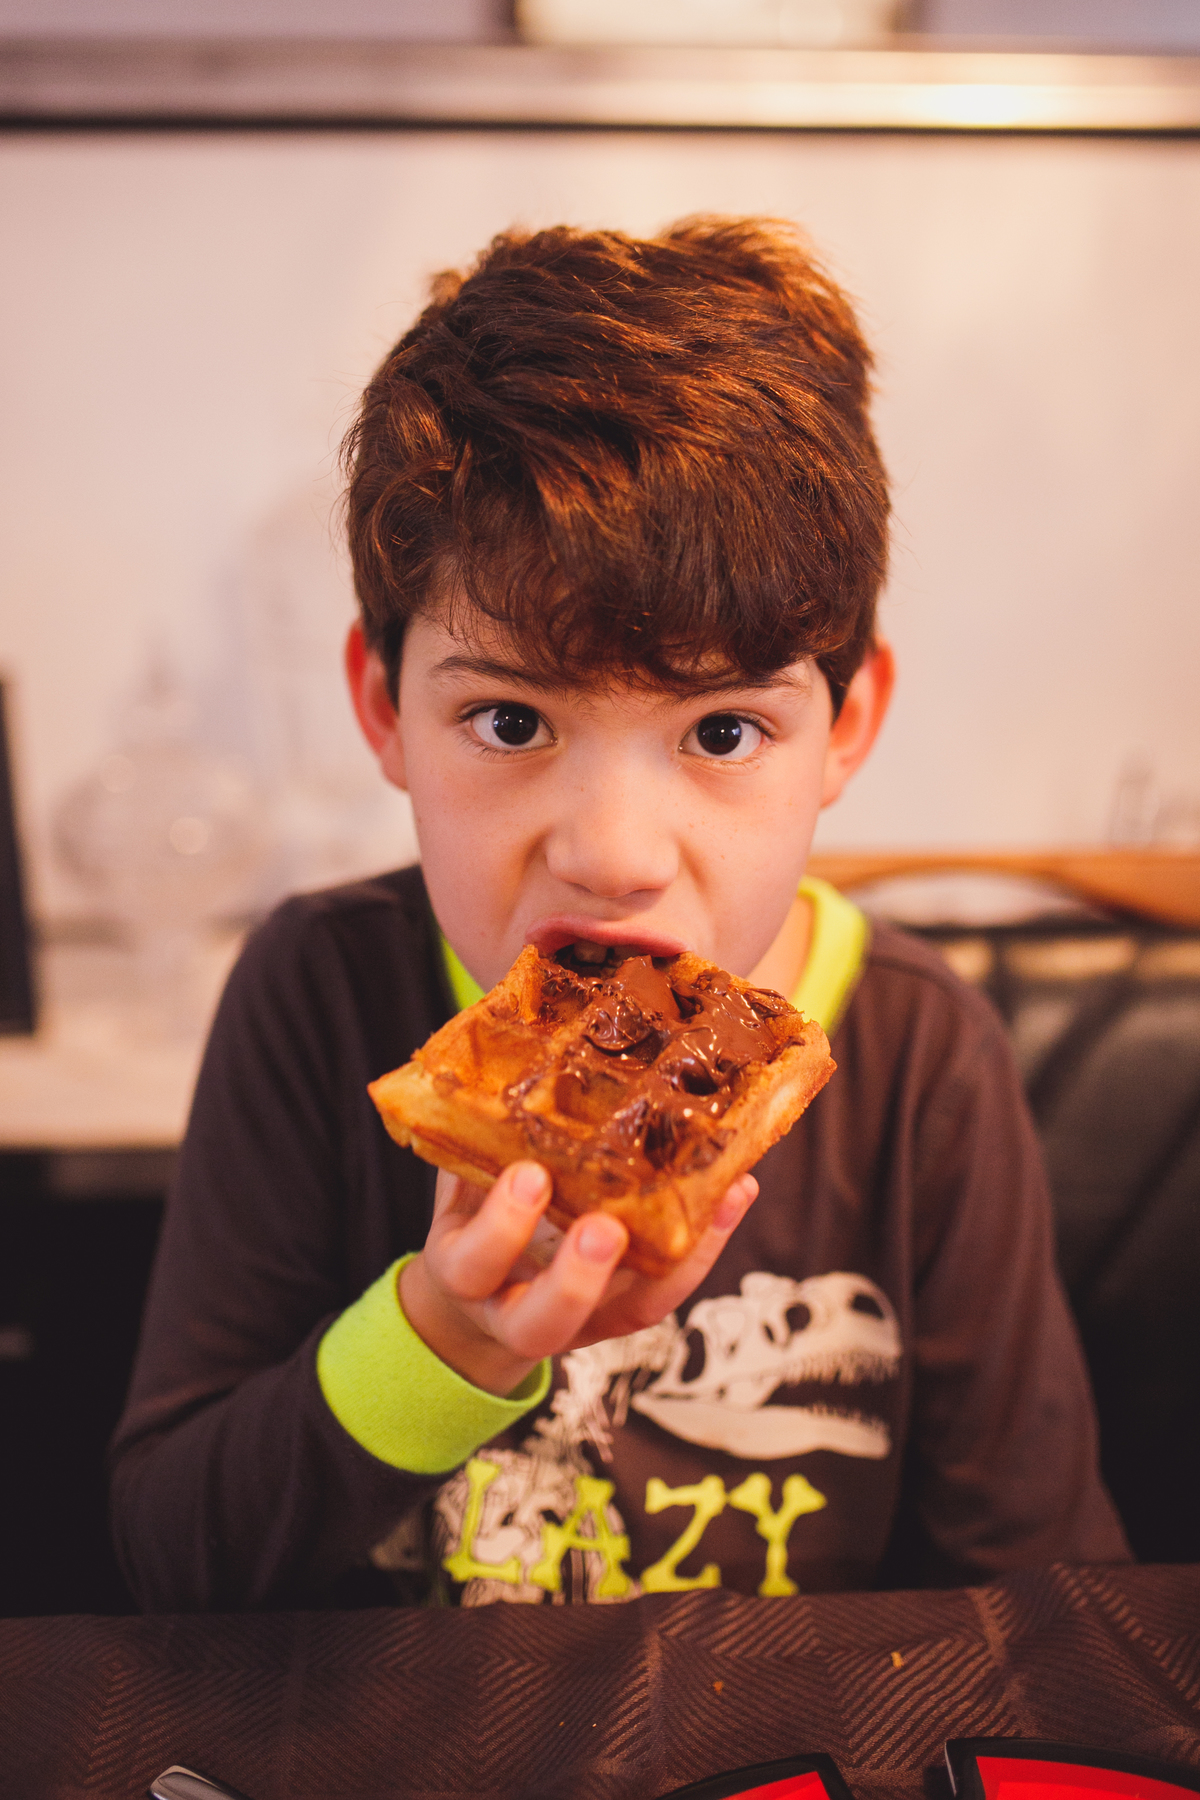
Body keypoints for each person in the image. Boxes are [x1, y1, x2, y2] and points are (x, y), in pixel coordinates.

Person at [110, 217, 1128, 1611]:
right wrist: (437, 1347)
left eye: (722, 733)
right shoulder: (317, 991)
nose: (614, 854)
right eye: (511, 718)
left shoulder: (919, 1059)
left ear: (846, 728)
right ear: (382, 708)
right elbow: (171, 1553)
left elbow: (1045, 1600)